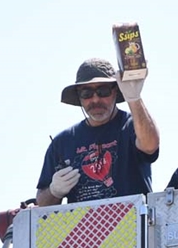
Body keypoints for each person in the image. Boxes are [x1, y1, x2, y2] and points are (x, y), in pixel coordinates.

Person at [36, 58, 160, 206]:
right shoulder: (62, 142)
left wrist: (134, 98)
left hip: (132, 225)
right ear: (79, 97)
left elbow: (150, 145)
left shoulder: (132, 126)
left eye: (103, 91)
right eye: (87, 93)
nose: (95, 99)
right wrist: (54, 191)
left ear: (115, 91)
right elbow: (42, 203)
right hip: (83, 227)